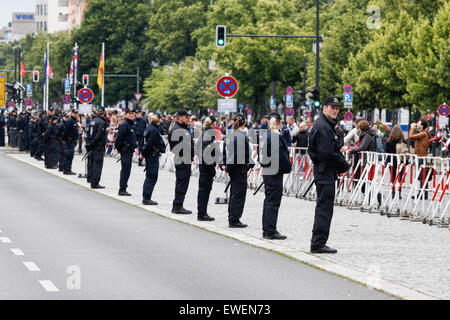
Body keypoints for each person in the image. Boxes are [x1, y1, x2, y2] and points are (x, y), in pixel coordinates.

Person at [308, 97, 350, 254]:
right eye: (332, 107)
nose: (335, 110)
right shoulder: (323, 126)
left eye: (337, 108)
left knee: (324, 207)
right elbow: (327, 153)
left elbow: (329, 148)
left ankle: (319, 242)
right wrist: (343, 164)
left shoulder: (325, 125)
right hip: (325, 171)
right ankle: (318, 243)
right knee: (324, 209)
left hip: (325, 171)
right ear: (324, 108)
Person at [259, 112, 292, 239]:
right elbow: (280, 156)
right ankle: (270, 230)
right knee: (273, 201)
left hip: (268, 170)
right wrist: (287, 166)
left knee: (269, 200)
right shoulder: (275, 136)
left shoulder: (267, 135)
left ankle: (267, 228)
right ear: (278, 123)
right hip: (274, 171)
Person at [223, 113, 254, 228]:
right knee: (239, 194)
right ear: (244, 123)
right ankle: (234, 219)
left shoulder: (230, 135)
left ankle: (232, 216)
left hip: (233, 167)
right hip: (239, 168)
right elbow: (238, 154)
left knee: (233, 193)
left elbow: (225, 152)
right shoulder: (240, 136)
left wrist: (226, 164)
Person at [168, 109, 194, 214]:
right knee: (182, 182)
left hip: (185, 158)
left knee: (183, 182)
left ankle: (179, 204)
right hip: (182, 158)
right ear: (180, 117)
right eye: (186, 117)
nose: (188, 119)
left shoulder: (182, 128)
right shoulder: (177, 130)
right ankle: (177, 205)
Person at [196, 115, 219, 221]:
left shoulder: (204, 133)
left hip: (202, 164)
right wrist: (212, 169)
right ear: (213, 123)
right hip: (206, 166)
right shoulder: (209, 134)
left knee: (203, 189)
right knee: (204, 190)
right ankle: (202, 213)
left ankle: (202, 212)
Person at [141, 113, 166, 205]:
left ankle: (146, 197)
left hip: (149, 154)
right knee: (152, 176)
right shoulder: (154, 130)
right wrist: (143, 153)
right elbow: (150, 143)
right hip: (152, 155)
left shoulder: (148, 128)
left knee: (149, 176)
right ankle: (147, 198)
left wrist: (143, 153)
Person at [115, 109, 137, 196]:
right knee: (125, 170)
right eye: (130, 114)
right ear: (126, 115)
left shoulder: (131, 124)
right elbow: (118, 139)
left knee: (127, 170)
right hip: (125, 150)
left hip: (129, 150)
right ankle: (122, 189)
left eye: (132, 114)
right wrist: (121, 149)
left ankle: (124, 187)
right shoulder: (124, 124)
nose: (131, 115)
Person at [86, 106, 108, 189]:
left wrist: (89, 143)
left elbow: (88, 132)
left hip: (92, 145)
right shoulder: (101, 122)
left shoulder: (93, 120)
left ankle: (91, 179)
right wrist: (94, 143)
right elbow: (99, 135)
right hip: (98, 146)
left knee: (91, 163)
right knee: (97, 165)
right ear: (103, 113)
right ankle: (95, 182)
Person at [409, 119, 431, 200]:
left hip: (421, 157)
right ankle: (423, 193)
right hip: (420, 156)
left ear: (422, 126)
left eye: (418, 123)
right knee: (422, 176)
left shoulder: (423, 134)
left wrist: (412, 128)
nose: (416, 124)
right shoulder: (423, 133)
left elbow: (411, 137)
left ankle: (423, 193)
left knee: (422, 176)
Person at [385, 125, 406, 199]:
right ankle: (399, 191)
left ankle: (393, 191)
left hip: (391, 160)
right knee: (400, 176)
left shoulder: (389, 141)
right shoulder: (402, 140)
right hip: (400, 160)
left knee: (392, 176)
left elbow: (386, 151)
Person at [63, 109, 79, 175]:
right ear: (71, 113)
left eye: (76, 113)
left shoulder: (74, 121)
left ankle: (68, 169)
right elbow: (66, 131)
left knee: (71, 155)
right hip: (69, 140)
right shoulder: (70, 121)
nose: (76, 114)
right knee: (69, 155)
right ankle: (67, 169)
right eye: (74, 113)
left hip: (72, 140)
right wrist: (65, 139)